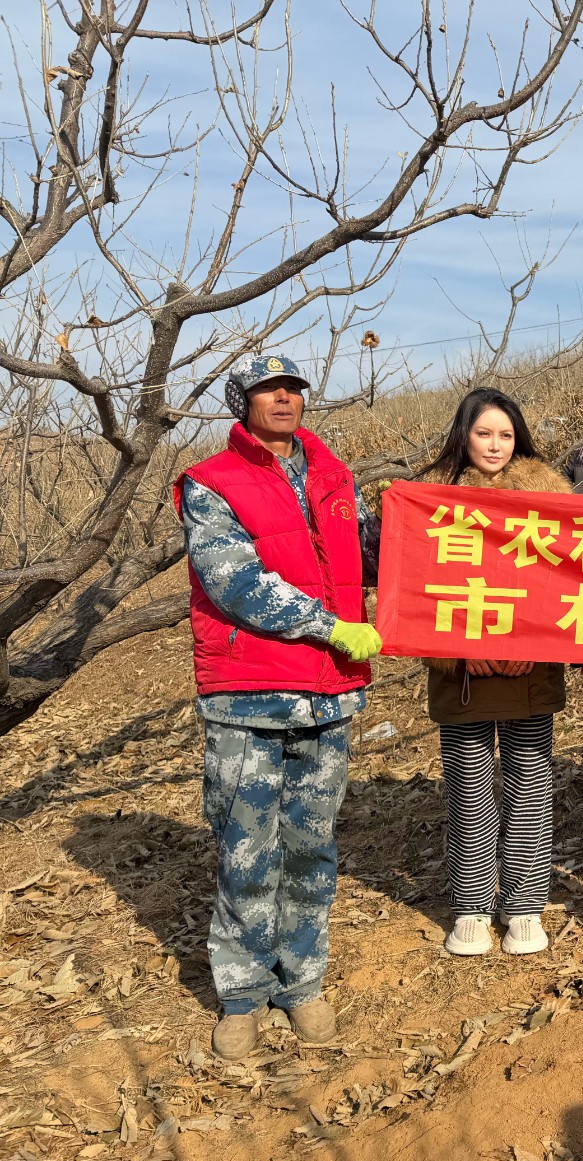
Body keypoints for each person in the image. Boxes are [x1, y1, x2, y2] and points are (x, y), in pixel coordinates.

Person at [176, 355, 383, 1060]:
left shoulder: (335, 474)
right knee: (245, 849)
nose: (285, 398)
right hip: (248, 695)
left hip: (328, 692)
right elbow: (236, 583)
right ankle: (240, 992)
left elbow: (367, 552)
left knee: (311, 846)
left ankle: (303, 981)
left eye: (294, 387)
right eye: (270, 389)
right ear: (245, 401)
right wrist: (331, 626)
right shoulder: (211, 483)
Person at [418, 389, 571, 957]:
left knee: (530, 787)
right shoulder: (430, 499)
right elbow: (416, 589)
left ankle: (526, 905)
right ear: (464, 436)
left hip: (530, 668)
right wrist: (458, 651)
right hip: (461, 671)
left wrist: (537, 643)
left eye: (506, 435)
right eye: (484, 433)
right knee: (469, 792)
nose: (495, 445)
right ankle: (472, 906)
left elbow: (565, 583)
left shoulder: (550, 494)